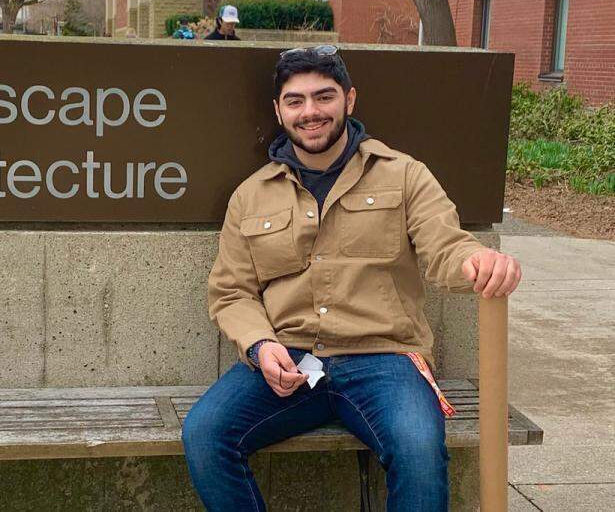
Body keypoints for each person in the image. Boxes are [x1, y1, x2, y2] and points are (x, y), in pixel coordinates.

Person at [181, 45, 523, 511]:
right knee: (205, 433)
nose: (311, 112)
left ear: (349, 99)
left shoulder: (404, 175)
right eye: (296, 101)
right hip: (290, 360)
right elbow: (231, 292)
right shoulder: (251, 195)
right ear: (279, 111)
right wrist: (261, 346)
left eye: (324, 97)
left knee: (420, 450)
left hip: (386, 358)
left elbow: (447, 245)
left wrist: (478, 262)